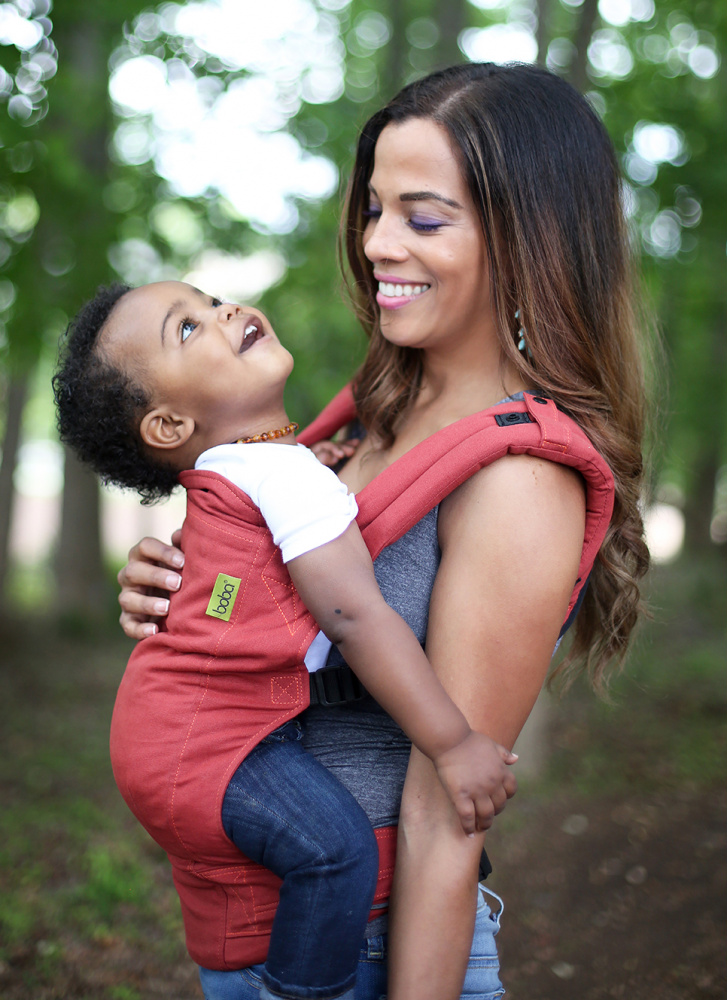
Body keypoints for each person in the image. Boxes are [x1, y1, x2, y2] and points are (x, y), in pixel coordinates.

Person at [115, 62, 650, 1000]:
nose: (377, 245)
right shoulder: (363, 413)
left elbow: (447, 815)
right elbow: (274, 586)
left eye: (424, 218)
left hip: (373, 952)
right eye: (374, 210)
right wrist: (179, 586)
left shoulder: (519, 477)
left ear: (532, 236)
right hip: (260, 933)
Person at [53, 280, 520, 1000]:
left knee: (323, 848)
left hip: (169, 736)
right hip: (209, 742)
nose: (224, 312)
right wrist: (453, 744)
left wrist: (318, 466)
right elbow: (354, 617)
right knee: (335, 852)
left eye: (209, 300)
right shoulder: (281, 476)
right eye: (187, 329)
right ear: (171, 426)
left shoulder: (259, 470)